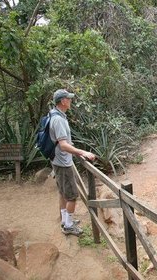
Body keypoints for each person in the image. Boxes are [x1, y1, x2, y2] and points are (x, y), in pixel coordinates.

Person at [49, 89, 96, 236]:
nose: (70, 101)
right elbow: (63, 145)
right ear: (63, 101)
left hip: (57, 160)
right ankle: (68, 226)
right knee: (72, 196)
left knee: (63, 193)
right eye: (68, 99)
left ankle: (65, 220)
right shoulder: (59, 119)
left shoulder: (54, 114)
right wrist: (83, 152)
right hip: (63, 162)